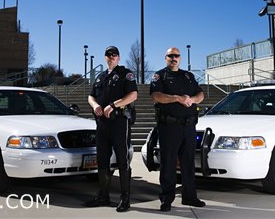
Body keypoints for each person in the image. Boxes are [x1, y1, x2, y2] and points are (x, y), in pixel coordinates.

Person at [150, 47, 205, 212]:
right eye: (170, 56)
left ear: (180, 58)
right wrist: (177, 98)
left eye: (176, 56)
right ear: (165, 58)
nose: (174, 58)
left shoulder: (188, 76)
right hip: (169, 127)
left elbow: (200, 94)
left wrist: (192, 100)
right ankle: (166, 199)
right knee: (168, 164)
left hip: (188, 126)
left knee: (188, 163)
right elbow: (156, 96)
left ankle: (190, 197)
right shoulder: (160, 76)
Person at [85, 46, 138, 212]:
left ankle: (125, 199)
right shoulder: (101, 77)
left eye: (114, 54)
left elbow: (133, 95)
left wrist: (113, 105)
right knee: (102, 160)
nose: (111, 57)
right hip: (102, 124)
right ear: (105, 58)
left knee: (122, 160)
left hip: (119, 122)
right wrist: (95, 105)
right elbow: (91, 95)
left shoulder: (125, 74)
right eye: (108, 55)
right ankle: (103, 196)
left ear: (119, 57)